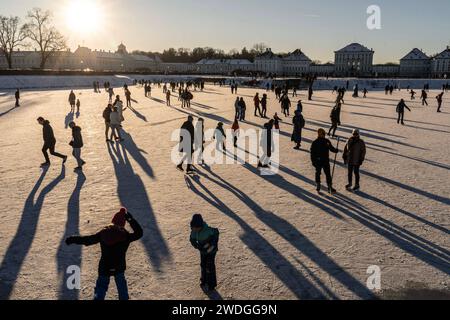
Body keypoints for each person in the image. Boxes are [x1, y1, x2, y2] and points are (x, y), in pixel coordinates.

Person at [65, 208, 143, 300]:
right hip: (119, 266)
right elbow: (139, 233)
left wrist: (73, 239)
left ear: (113, 221)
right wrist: (130, 219)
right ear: (123, 224)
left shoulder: (103, 233)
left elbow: (87, 240)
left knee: (101, 287)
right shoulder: (126, 236)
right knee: (122, 287)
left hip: (104, 267)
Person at [190, 214, 219, 293]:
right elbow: (192, 239)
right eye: (193, 228)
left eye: (196, 228)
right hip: (203, 251)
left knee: (210, 266)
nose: (195, 229)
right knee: (203, 264)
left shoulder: (208, 230)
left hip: (211, 251)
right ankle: (204, 280)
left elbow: (216, 232)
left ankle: (211, 284)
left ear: (200, 225)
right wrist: (196, 245)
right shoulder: (194, 231)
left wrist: (212, 244)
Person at [310, 128, 339, 194]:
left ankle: (329, 187)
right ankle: (318, 185)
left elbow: (331, 148)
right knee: (318, 173)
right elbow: (312, 153)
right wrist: (313, 161)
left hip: (325, 160)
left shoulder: (326, 141)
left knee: (328, 174)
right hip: (318, 161)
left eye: (323, 134)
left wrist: (335, 150)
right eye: (322, 134)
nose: (323, 135)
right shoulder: (315, 142)